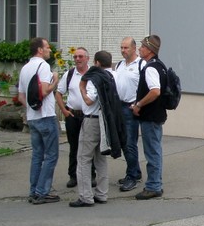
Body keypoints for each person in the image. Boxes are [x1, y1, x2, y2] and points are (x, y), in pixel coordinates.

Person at [70, 50, 123, 207]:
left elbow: (89, 100)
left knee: (83, 158)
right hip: (106, 121)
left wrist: (82, 87)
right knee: (101, 158)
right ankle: (102, 193)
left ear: (97, 63)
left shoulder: (95, 78)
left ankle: (85, 196)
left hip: (92, 120)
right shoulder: (115, 76)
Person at [18, 37, 60, 205]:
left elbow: (21, 96)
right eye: (47, 47)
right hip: (46, 115)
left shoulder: (25, 68)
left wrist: (32, 108)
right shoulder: (43, 66)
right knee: (51, 155)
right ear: (40, 50)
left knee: (37, 155)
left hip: (32, 117)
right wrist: (55, 79)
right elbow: (44, 91)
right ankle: (42, 191)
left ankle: (34, 190)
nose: (50, 50)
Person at [131, 35, 167, 200]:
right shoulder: (160, 65)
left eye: (142, 47)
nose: (140, 49)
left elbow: (155, 91)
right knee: (155, 150)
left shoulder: (151, 68)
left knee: (152, 152)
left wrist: (139, 104)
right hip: (156, 115)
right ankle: (156, 183)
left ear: (150, 50)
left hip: (150, 116)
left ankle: (153, 186)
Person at [55, 47, 90, 189]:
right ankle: (73, 175)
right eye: (75, 57)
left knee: (90, 146)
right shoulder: (69, 74)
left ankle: (91, 175)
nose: (77, 59)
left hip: (88, 116)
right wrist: (64, 110)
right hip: (73, 115)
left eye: (80, 56)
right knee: (74, 146)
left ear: (87, 58)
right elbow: (58, 93)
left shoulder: (93, 74)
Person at [113, 37, 143, 192]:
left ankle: (132, 177)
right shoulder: (119, 65)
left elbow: (146, 87)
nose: (123, 50)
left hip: (131, 108)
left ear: (134, 48)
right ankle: (134, 171)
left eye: (126, 48)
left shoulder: (141, 65)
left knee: (130, 143)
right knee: (124, 142)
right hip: (119, 107)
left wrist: (138, 104)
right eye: (121, 48)